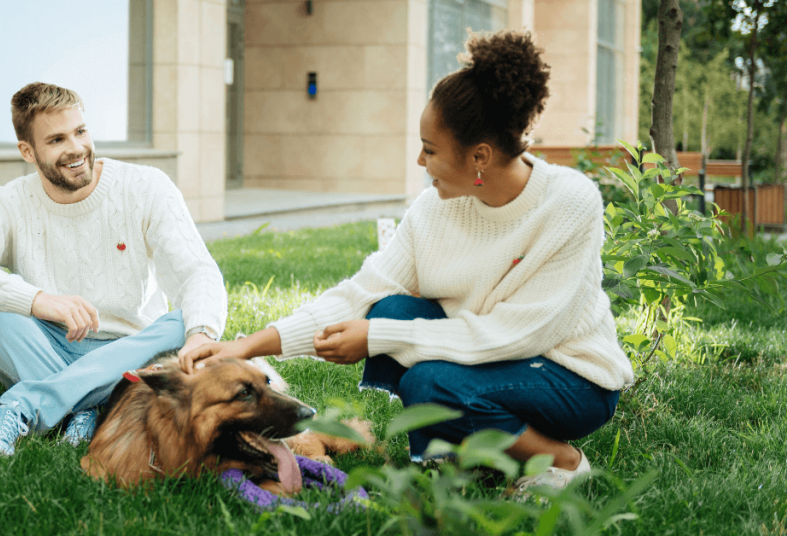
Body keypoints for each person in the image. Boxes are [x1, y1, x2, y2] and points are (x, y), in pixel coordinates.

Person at [182, 31, 634, 493]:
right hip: (490, 359)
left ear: (479, 156)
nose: (420, 160)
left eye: (430, 150)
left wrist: (377, 337)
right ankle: (473, 450)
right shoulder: (433, 209)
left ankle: (562, 461)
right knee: (388, 308)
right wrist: (246, 347)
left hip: (569, 377)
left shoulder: (568, 203)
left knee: (430, 381)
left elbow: (517, 335)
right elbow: (361, 292)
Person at [0, 82, 226, 456]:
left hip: (130, 350)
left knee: (185, 323)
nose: (76, 148)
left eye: (80, 131)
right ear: (27, 152)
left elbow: (197, 271)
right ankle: (90, 404)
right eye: (57, 140)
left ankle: (28, 406)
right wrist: (38, 300)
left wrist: (201, 334)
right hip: (48, 344)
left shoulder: (145, 187)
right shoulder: (9, 202)